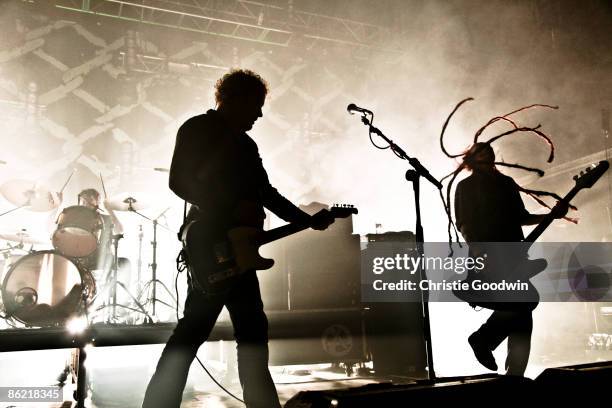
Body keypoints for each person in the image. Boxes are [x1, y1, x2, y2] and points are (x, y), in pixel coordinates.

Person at [142, 69, 334, 408]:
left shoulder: (247, 145)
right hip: (211, 245)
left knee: (251, 336)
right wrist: (229, 211)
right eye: (256, 105)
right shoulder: (198, 129)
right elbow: (179, 181)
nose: (260, 114)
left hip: (241, 254)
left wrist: (306, 220)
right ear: (234, 99)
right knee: (193, 332)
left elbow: (266, 193)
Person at [454, 142, 568, 376]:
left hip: (515, 259)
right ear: (471, 160)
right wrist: (479, 252)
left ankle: (511, 370)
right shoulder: (465, 187)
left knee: (522, 309)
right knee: (524, 304)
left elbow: (521, 217)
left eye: (490, 153)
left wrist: (550, 216)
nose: (487, 158)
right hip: (487, 258)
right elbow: (464, 223)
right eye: (481, 155)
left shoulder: (506, 184)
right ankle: (486, 343)